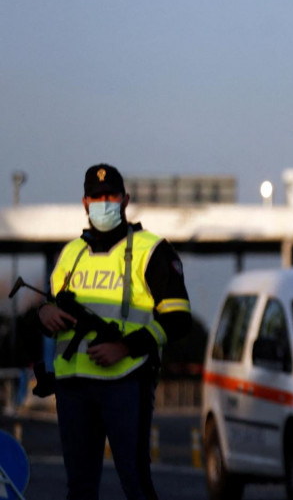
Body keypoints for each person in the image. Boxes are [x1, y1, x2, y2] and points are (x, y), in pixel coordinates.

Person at [37, 164, 192, 500]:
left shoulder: (152, 250)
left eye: (111, 196)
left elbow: (178, 319)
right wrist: (44, 312)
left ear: (125, 200)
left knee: (135, 484)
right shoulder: (70, 254)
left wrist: (126, 347)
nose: (103, 202)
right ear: (84, 202)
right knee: (79, 489)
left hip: (127, 382)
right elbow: (49, 311)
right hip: (73, 388)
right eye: (96, 197)